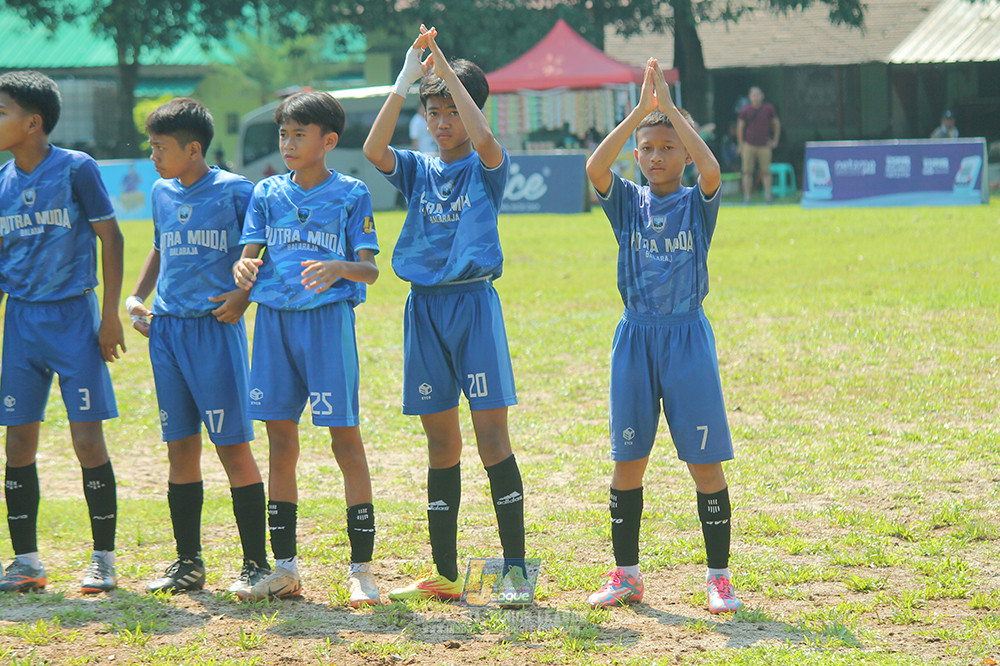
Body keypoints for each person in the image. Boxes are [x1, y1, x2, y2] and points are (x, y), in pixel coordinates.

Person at [363, 26, 529, 605]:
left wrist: (453, 81)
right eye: (431, 112)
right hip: (425, 310)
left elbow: (483, 139)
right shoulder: (417, 169)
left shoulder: (486, 166)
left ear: (471, 110)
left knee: (491, 439)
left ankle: (515, 574)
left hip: (473, 306)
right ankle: (446, 573)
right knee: (441, 444)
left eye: (450, 111)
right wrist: (408, 75)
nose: (439, 122)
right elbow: (372, 150)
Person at [583, 58, 741, 614]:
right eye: (647, 148)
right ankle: (626, 575)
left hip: (686, 339)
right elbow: (595, 167)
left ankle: (718, 578)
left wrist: (670, 110)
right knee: (629, 461)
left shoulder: (698, 202)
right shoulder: (627, 202)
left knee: (705, 463)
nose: (656, 156)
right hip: (636, 338)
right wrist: (640, 116)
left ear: (684, 153)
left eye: (668, 147)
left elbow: (713, 168)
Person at [232, 90, 382, 606]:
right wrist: (244, 267)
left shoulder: (351, 194)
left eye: (300, 134)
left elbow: (370, 268)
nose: (289, 143)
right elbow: (248, 256)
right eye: (283, 134)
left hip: (326, 324)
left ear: (328, 141)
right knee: (281, 444)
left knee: (345, 442)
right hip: (272, 325)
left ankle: (361, 569)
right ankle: (285, 567)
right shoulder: (267, 192)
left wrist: (339, 266)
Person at [124, 98, 270, 596]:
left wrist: (243, 295)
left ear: (193, 149)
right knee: (179, 448)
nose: (152, 156)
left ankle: (256, 564)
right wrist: (140, 297)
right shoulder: (162, 192)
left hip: (214, 330)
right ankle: (188, 563)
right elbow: (161, 245)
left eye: (160, 147)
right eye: (150, 146)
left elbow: (267, 242)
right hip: (167, 333)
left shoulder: (235, 191)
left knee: (232, 448)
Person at [0, 70, 125, 594]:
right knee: (18, 441)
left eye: (1, 112)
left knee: (86, 439)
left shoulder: (76, 168)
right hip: (22, 322)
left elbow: (112, 238)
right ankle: (26, 560)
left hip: (74, 317)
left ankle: (103, 559)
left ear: (33, 122)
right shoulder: (1, 181)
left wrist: (111, 315)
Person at [737, 86, 780, 204]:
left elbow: (776, 124)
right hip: (749, 144)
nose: (755, 97)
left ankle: (768, 196)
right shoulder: (745, 110)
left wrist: (775, 140)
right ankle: (747, 197)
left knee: (766, 171)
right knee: (747, 172)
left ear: (762, 96)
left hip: (764, 144)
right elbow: (740, 127)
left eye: (758, 94)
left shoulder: (768, 109)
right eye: (753, 95)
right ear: (750, 97)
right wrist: (741, 144)